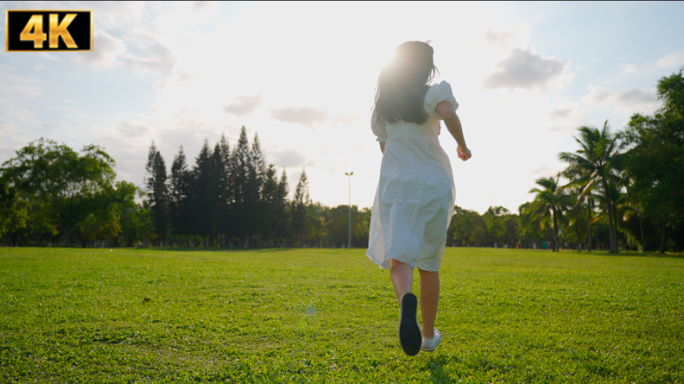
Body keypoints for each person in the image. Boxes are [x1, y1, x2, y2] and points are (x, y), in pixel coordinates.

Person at [366, 41, 471, 356]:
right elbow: (448, 112)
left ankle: (404, 301)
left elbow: (387, 149)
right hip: (434, 184)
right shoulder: (431, 94)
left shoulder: (383, 109)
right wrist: (462, 144)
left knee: (400, 256)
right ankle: (427, 336)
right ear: (427, 68)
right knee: (429, 262)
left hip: (398, 186)